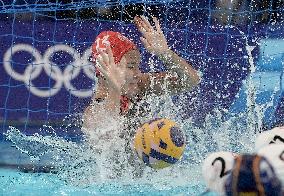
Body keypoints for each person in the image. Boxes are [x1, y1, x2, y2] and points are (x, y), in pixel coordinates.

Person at [81, 16, 201, 177]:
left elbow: (190, 81)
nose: (138, 74)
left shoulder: (139, 87)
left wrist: (165, 54)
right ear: (108, 67)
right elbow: (104, 139)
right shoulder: (94, 111)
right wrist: (115, 90)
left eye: (138, 66)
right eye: (131, 66)